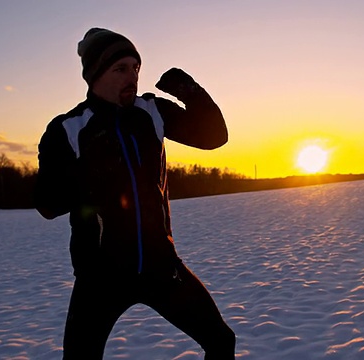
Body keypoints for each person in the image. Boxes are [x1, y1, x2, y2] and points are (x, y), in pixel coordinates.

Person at [34, 28, 236, 359]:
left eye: (136, 68)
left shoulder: (151, 111)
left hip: (161, 267)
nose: (133, 77)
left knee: (221, 341)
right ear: (95, 75)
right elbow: (47, 203)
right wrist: (90, 173)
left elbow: (215, 135)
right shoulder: (68, 128)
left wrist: (186, 88)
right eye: (121, 69)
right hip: (100, 279)